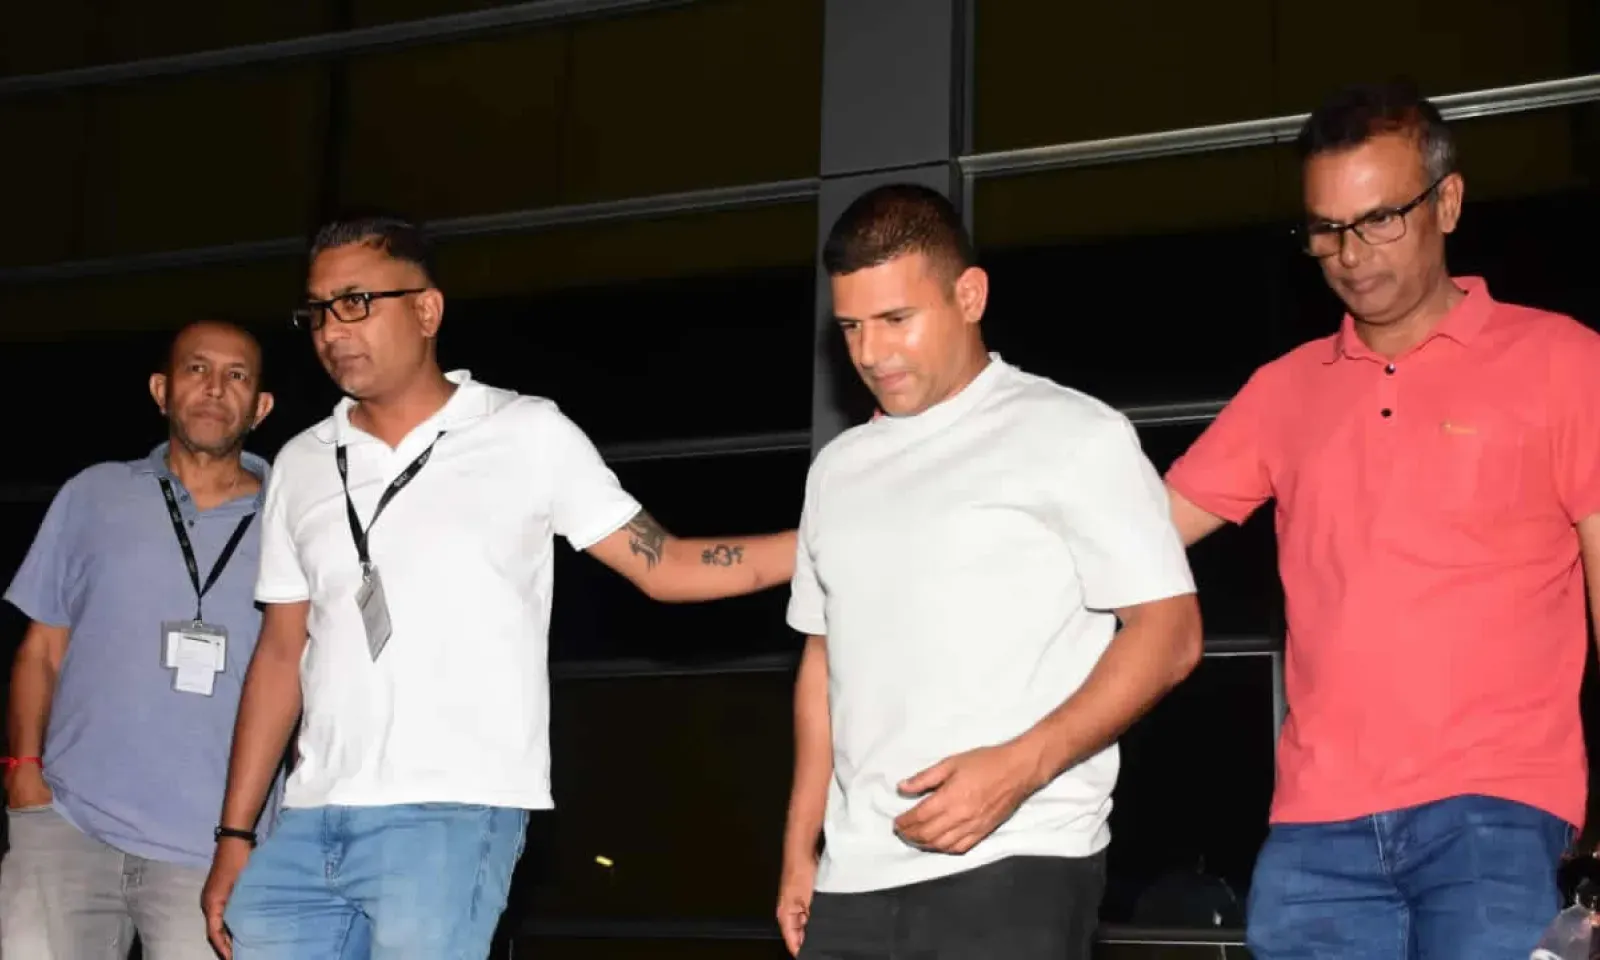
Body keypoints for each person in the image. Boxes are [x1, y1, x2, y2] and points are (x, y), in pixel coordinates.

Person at [201, 214, 800, 960]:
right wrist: (235, 833)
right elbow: (279, 652)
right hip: (308, 819)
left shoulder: (525, 432)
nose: (332, 328)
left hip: (448, 812)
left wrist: (818, 544)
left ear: (427, 310)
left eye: (356, 302)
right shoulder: (301, 461)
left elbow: (665, 564)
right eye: (318, 310)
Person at [1165, 81, 1600, 959]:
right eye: (1326, 229)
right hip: (1314, 832)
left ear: (1448, 201)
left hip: (1498, 813)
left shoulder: (1563, 360)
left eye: (1379, 220)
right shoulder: (1286, 389)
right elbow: (1136, 535)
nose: (1350, 255)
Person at [776, 184, 1204, 960]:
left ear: (969, 296)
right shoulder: (836, 471)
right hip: (852, 879)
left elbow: (1170, 633)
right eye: (852, 327)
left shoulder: (1072, 433)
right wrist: (801, 846)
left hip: (1017, 857)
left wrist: (1018, 770)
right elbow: (822, 660)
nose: (870, 352)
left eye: (896, 319)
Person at [1, 321, 279, 960]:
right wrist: (22, 774)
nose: (215, 388)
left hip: (213, 849)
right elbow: (41, 650)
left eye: (237, 375)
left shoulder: (294, 517)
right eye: (196, 369)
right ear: (161, 390)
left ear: (261, 407)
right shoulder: (94, 494)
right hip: (68, 825)